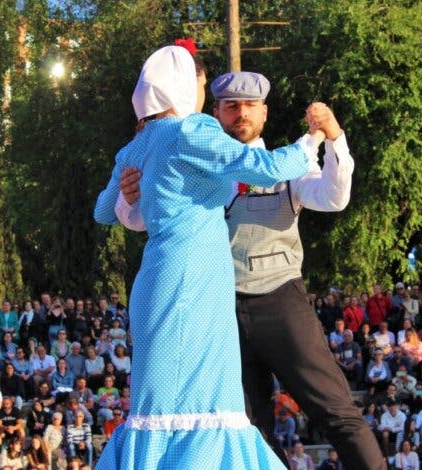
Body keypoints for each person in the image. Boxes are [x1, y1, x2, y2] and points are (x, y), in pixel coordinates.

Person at [112, 66, 383, 468]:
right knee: (241, 427)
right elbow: (139, 220)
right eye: (230, 106)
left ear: (264, 114)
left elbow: (333, 196)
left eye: (250, 106)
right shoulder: (186, 155)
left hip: (279, 303)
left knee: (336, 410)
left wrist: (335, 140)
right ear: (215, 113)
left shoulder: (285, 164)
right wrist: (127, 197)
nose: (241, 113)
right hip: (216, 312)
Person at [94, 44, 312, 468]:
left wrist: (126, 192)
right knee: (211, 405)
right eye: (197, 82)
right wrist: (311, 143)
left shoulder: (137, 145)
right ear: (183, 84)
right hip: (194, 281)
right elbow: (263, 167)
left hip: (158, 278)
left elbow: (103, 211)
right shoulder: (191, 131)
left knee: (160, 408)